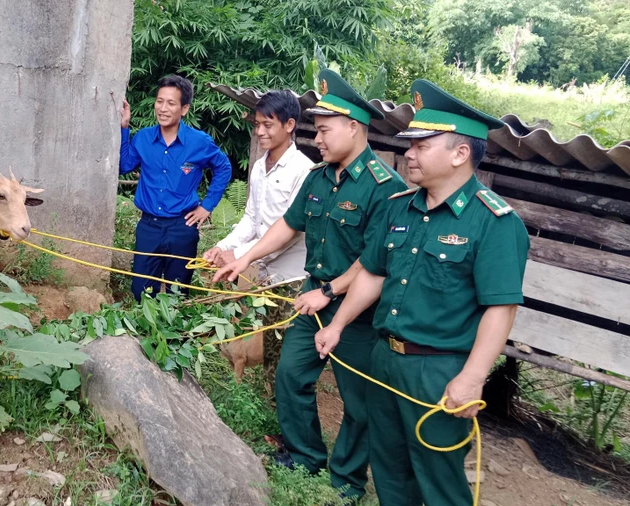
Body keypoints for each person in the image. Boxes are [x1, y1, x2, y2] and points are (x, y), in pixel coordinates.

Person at [314, 79, 530, 505]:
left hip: (439, 369)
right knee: (390, 467)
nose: (408, 153)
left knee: (438, 476)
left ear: (460, 153)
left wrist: (472, 378)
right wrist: (337, 325)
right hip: (384, 359)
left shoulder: (495, 223)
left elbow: (500, 309)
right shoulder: (400, 206)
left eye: (422, 145)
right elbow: (374, 275)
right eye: (409, 144)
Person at [213, 69, 407, 501]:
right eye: (314, 130)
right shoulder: (319, 178)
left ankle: (348, 480)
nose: (316, 138)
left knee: (357, 401)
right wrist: (243, 258)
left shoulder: (386, 190)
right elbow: (286, 225)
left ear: (354, 128)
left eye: (323, 130)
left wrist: (332, 290)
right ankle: (305, 455)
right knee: (291, 375)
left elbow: (373, 262)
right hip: (313, 298)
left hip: (355, 309)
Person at [202, 90, 313, 391]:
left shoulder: (303, 171)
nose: (260, 131)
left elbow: (289, 231)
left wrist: (240, 255)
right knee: (269, 350)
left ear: (290, 125)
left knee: (287, 359)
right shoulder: (260, 167)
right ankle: (273, 415)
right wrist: (223, 246)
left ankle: (288, 423)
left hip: (293, 280)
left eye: (268, 124)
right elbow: (251, 219)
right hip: (265, 277)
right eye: (258, 124)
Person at [120, 75, 233, 301]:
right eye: (159, 101)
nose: (163, 108)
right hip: (149, 226)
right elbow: (124, 165)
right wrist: (124, 128)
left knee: (178, 291)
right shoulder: (143, 138)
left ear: (184, 109)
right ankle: (146, 333)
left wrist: (207, 206)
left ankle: (173, 336)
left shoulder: (199, 142)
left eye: (171, 103)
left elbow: (224, 168)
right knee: (141, 290)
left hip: (182, 227)